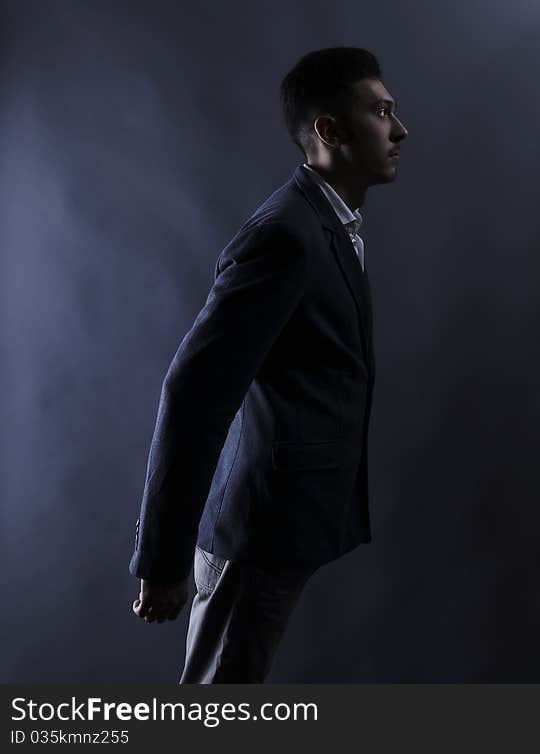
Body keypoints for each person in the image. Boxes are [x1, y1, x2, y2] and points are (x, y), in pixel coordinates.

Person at [128, 47, 408, 683]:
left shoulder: (328, 224)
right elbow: (194, 393)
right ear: (330, 131)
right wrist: (164, 558)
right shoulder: (284, 235)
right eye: (383, 111)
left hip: (288, 526)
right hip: (256, 535)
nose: (400, 129)